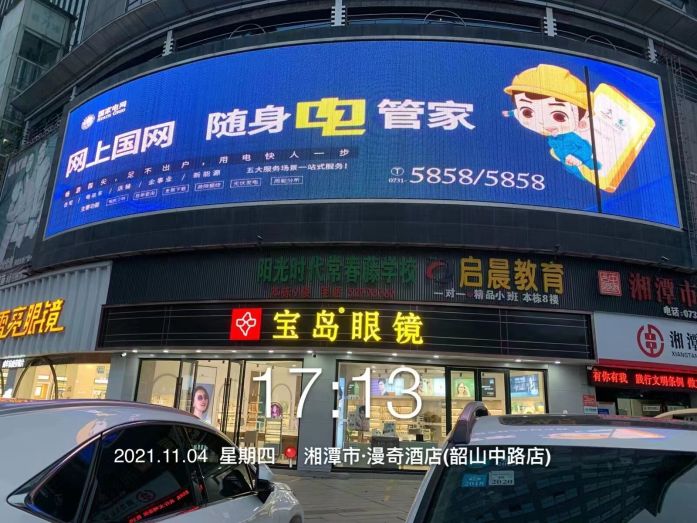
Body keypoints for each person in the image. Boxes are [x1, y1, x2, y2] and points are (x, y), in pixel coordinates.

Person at [502, 64, 600, 182]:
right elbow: (517, 112)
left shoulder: (571, 137)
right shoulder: (520, 114)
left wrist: (578, 158)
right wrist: (509, 113)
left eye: (559, 116)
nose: (541, 122)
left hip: (576, 156)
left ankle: (593, 167)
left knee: (589, 166)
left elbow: (585, 147)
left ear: (584, 116)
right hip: (562, 156)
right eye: (527, 112)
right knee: (572, 170)